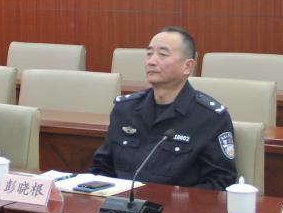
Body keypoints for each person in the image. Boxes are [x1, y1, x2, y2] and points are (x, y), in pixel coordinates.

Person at [92, 26, 236, 189]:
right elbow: (102, 167)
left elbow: (221, 182)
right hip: (121, 202)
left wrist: (177, 201)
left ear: (187, 67)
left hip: (176, 204)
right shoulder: (125, 109)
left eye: (162, 54)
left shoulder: (210, 118)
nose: (151, 61)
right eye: (149, 54)